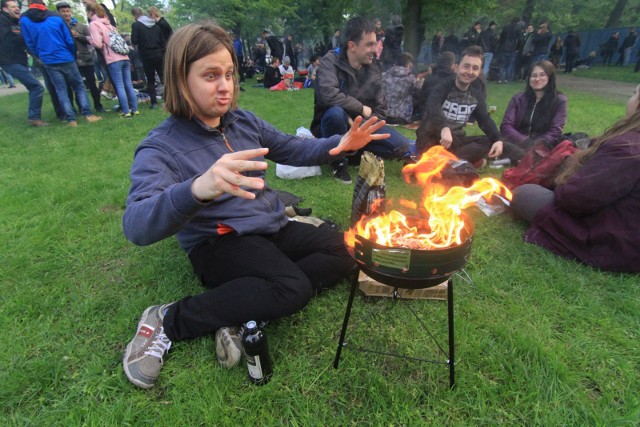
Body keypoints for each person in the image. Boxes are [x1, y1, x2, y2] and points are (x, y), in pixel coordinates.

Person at [121, 21, 390, 389]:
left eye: (229, 74)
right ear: (180, 80)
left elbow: (290, 148)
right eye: (211, 75)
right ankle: (170, 319)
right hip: (220, 244)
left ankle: (243, 306)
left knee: (348, 247)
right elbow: (136, 225)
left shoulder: (241, 121)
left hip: (270, 227)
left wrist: (339, 144)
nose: (225, 86)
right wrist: (198, 187)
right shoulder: (161, 147)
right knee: (290, 288)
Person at [510, 84, 640, 273]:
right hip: (626, 230)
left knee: (523, 194)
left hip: (614, 240)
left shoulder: (628, 149)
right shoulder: (629, 146)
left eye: (634, 94)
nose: (631, 98)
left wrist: (565, 179)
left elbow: (575, 199)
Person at [311, 16, 412, 184]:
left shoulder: (373, 67)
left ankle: (356, 152)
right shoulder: (330, 62)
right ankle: (338, 161)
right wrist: (359, 108)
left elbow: (380, 110)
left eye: (376, 43)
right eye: (369, 45)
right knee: (336, 113)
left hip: (363, 127)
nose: (375, 49)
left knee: (402, 146)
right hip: (333, 125)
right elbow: (328, 95)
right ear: (352, 46)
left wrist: (363, 128)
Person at [416, 46, 524, 165]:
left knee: (490, 141)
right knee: (427, 136)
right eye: (466, 66)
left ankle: (524, 157)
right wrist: (444, 127)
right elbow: (433, 108)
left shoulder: (475, 96)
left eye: (475, 68)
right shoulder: (442, 87)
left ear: (479, 72)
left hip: (456, 141)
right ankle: (456, 161)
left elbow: (485, 121)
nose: (469, 72)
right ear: (456, 68)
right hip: (432, 138)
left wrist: (497, 139)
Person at [20, 0, 101, 127]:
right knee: (79, 86)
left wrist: (40, 55)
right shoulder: (55, 17)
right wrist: (71, 54)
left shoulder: (25, 19)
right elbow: (68, 39)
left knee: (61, 90)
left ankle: (71, 119)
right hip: (66, 56)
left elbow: (29, 42)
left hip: (48, 59)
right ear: (43, 5)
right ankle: (88, 114)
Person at [500, 60, 567, 152]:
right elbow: (506, 126)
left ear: (550, 77)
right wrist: (525, 141)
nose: (537, 79)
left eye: (542, 75)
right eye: (533, 75)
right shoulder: (518, 99)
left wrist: (536, 145)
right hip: (516, 142)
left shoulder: (559, 100)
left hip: (543, 145)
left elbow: (555, 131)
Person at [87, 2, 138, 118]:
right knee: (128, 85)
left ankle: (126, 111)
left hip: (113, 59)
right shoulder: (110, 25)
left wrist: (89, 39)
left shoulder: (94, 24)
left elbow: (98, 44)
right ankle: (135, 109)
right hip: (124, 57)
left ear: (90, 12)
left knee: (119, 86)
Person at [0, 0, 47, 126]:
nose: (17, 9)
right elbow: (7, 41)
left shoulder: (15, 22)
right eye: (13, 7)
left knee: (34, 87)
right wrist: (25, 35)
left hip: (19, 60)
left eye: (17, 6)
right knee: (36, 86)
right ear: (5, 9)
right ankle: (34, 118)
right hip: (10, 61)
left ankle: (34, 117)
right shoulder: (2, 22)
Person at [56, 2, 105, 113]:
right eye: (63, 12)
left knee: (92, 84)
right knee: (75, 86)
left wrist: (79, 36)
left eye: (68, 11)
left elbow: (91, 39)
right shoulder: (58, 27)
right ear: (58, 13)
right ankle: (79, 108)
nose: (66, 14)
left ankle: (98, 105)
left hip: (86, 60)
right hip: (70, 60)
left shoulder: (80, 26)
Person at [131, 7, 165, 109]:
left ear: (134, 16)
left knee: (150, 79)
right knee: (163, 78)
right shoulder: (155, 25)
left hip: (146, 55)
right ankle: (169, 99)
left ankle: (154, 102)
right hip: (158, 53)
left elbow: (134, 40)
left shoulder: (136, 25)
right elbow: (162, 41)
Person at [382, 52, 420, 124]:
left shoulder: (384, 75)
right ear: (409, 65)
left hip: (383, 114)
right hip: (401, 117)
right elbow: (420, 94)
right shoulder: (410, 78)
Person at [497, 17, 523, 83]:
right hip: (512, 49)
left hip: (503, 48)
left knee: (502, 65)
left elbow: (501, 38)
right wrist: (518, 48)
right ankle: (507, 79)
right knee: (510, 65)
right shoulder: (518, 28)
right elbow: (520, 40)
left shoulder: (506, 27)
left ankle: (500, 79)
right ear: (518, 21)